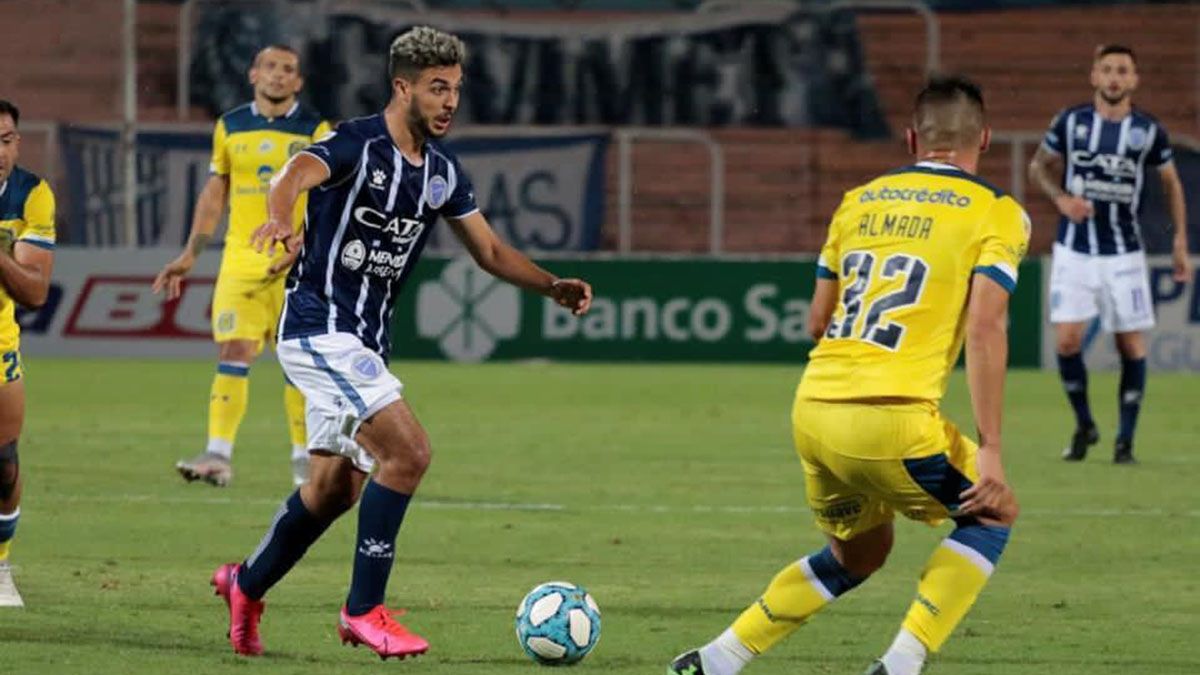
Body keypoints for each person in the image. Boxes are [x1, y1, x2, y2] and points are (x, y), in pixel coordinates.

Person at [208, 26, 592, 659]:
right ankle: (364, 611)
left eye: (456, 90)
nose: (449, 102)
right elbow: (295, 173)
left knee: (334, 489)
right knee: (409, 454)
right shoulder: (355, 143)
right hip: (320, 329)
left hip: (363, 341)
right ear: (402, 87)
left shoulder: (441, 173)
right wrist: (280, 216)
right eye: (437, 88)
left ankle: (244, 584)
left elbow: (491, 251)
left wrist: (552, 286)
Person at [668, 76, 1025, 675]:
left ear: (912, 138)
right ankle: (904, 664)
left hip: (814, 411)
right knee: (992, 514)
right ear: (984, 139)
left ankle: (719, 657)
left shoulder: (858, 200)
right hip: (894, 418)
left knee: (859, 552)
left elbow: (816, 321)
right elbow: (988, 328)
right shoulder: (997, 212)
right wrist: (990, 448)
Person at [153, 45, 331, 487]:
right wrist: (190, 254)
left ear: (298, 82)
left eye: (288, 69)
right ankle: (217, 454)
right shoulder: (229, 126)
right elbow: (216, 193)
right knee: (234, 351)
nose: (277, 76)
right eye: (269, 67)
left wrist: (305, 242)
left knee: (298, 362)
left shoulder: (317, 129)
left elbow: (332, 196)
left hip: (296, 262)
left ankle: (305, 460)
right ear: (254, 74)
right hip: (241, 258)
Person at [1029, 44, 1191, 464]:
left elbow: (1171, 183)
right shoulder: (1071, 121)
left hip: (1124, 254)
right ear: (1094, 77)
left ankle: (1125, 441)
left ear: (1134, 79)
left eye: (1123, 70)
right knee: (1066, 342)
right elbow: (1037, 167)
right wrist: (1061, 199)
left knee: (1130, 345)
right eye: (1108, 70)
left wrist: (1178, 241)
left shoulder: (1148, 130)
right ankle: (1085, 424)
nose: (1115, 77)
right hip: (1074, 250)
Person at [0, 99, 57, 608]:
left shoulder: (31, 194)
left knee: (2, 463)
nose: (0, 152)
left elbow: (36, 292)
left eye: (7, 139)